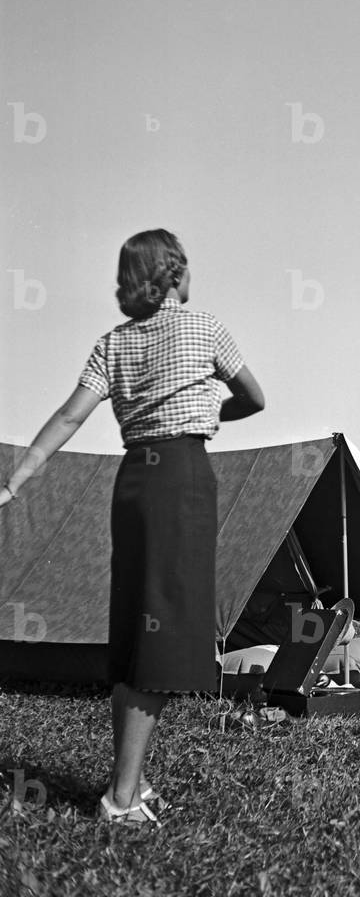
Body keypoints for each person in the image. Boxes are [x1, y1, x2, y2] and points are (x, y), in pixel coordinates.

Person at [0, 229, 264, 825]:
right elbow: (254, 397)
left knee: (135, 630)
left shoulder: (112, 343)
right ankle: (120, 800)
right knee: (167, 631)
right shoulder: (207, 329)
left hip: (134, 482)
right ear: (174, 273)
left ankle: (133, 785)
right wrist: (205, 409)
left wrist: (15, 481)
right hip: (182, 474)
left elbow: (69, 414)